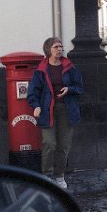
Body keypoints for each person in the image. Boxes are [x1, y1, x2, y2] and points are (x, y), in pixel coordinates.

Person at [27, 37, 83, 189]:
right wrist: (36, 106)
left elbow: (79, 86)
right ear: (48, 50)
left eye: (61, 47)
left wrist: (69, 89)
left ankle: (59, 176)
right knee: (49, 144)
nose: (60, 49)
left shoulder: (69, 67)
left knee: (64, 145)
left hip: (67, 110)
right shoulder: (41, 69)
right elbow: (33, 91)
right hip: (47, 111)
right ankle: (46, 175)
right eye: (56, 47)